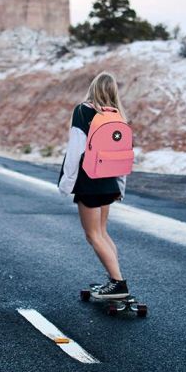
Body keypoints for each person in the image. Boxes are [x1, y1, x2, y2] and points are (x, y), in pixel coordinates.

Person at [58, 71, 129, 299]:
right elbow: (123, 154)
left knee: (93, 235)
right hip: (108, 182)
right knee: (102, 232)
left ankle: (118, 283)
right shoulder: (117, 116)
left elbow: (76, 150)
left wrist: (66, 183)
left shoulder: (83, 111)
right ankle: (114, 280)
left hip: (89, 182)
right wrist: (120, 187)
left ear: (93, 88)